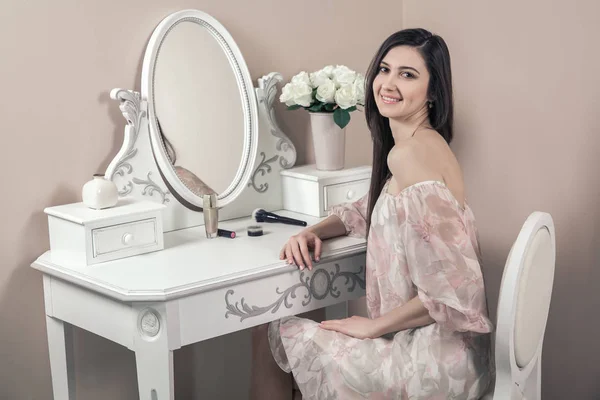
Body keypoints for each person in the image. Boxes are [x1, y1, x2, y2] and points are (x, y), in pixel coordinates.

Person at [250, 28, 494, 400]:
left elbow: (456, 291)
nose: (389, 83)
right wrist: (314, 230)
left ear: (433, 93)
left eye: (407, 75)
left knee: (271, 336)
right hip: (454, 355)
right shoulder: (422, 146)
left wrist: (373, 327)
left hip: (433, 362)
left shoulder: (410, 155)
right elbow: (375, 209)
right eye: (384, 69)